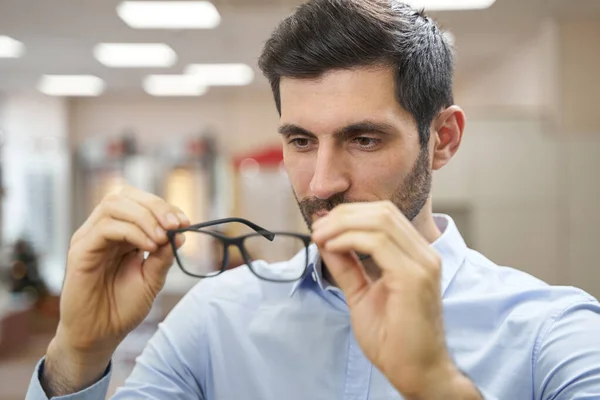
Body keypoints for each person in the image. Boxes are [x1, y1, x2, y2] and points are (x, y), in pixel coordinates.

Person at [26, 0, 600, 399]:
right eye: (301, 141)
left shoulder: (552, 334)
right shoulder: (214, 321)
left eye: (363, 138)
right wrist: (78, 353)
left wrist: (437, 388)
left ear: (442, 140)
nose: (322, 183)